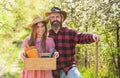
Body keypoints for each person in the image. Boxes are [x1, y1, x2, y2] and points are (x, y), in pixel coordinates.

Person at [45, 7, 101, 78]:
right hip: (51, 70)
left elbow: (81, 37)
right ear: (50, 19)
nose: (55, 19)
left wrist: (92, 36)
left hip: (68, 68)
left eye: (57, 17)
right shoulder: (47, 35)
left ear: (62, 19)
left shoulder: (70, 32)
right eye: (52, 17)